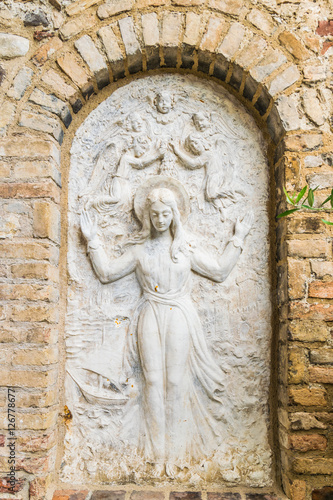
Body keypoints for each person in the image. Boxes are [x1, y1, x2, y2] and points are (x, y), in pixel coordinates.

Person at [80, 179, 253, 477]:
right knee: (153, 382)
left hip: (179, 315)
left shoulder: (184, 248)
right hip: (149, 312)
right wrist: (92, 240)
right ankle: (157, 455)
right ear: (147, 215)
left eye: (166, 214)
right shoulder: (139, 250)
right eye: (156, 214)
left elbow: (220, 270)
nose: (161, 220)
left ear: (175, 214)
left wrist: (238, 238)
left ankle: (176, 451)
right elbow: (107, 273)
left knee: (174, 381)